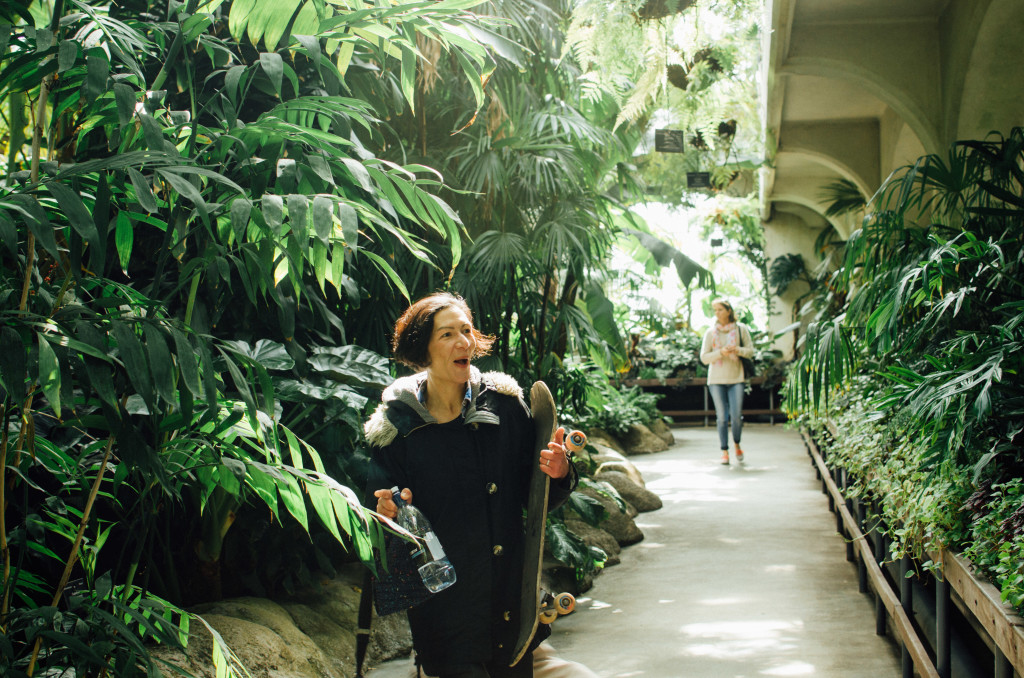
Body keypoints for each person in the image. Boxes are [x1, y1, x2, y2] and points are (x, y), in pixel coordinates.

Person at [363, 292, 595, 678]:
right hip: (445, 616)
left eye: (467, 330)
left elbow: (536, 496)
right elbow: (377, 511)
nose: (463, 342)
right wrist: (385, 512)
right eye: (447, 334)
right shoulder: (397, 427)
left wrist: (558, 472)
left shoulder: (504, 407)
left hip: (510, 607)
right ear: (423, 350)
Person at [699, 298, 754, 465]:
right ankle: (724, 450)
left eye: (720, 309)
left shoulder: (740, 329)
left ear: (729, 311)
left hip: (736, 378)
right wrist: (720, 353)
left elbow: (750, 351)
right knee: (722, 417)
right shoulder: (710, 332)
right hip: (716, 380)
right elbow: (704, 358)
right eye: (715, 310)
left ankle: (737, 443)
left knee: (736, 416)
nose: (717, 313)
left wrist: (737, 350)